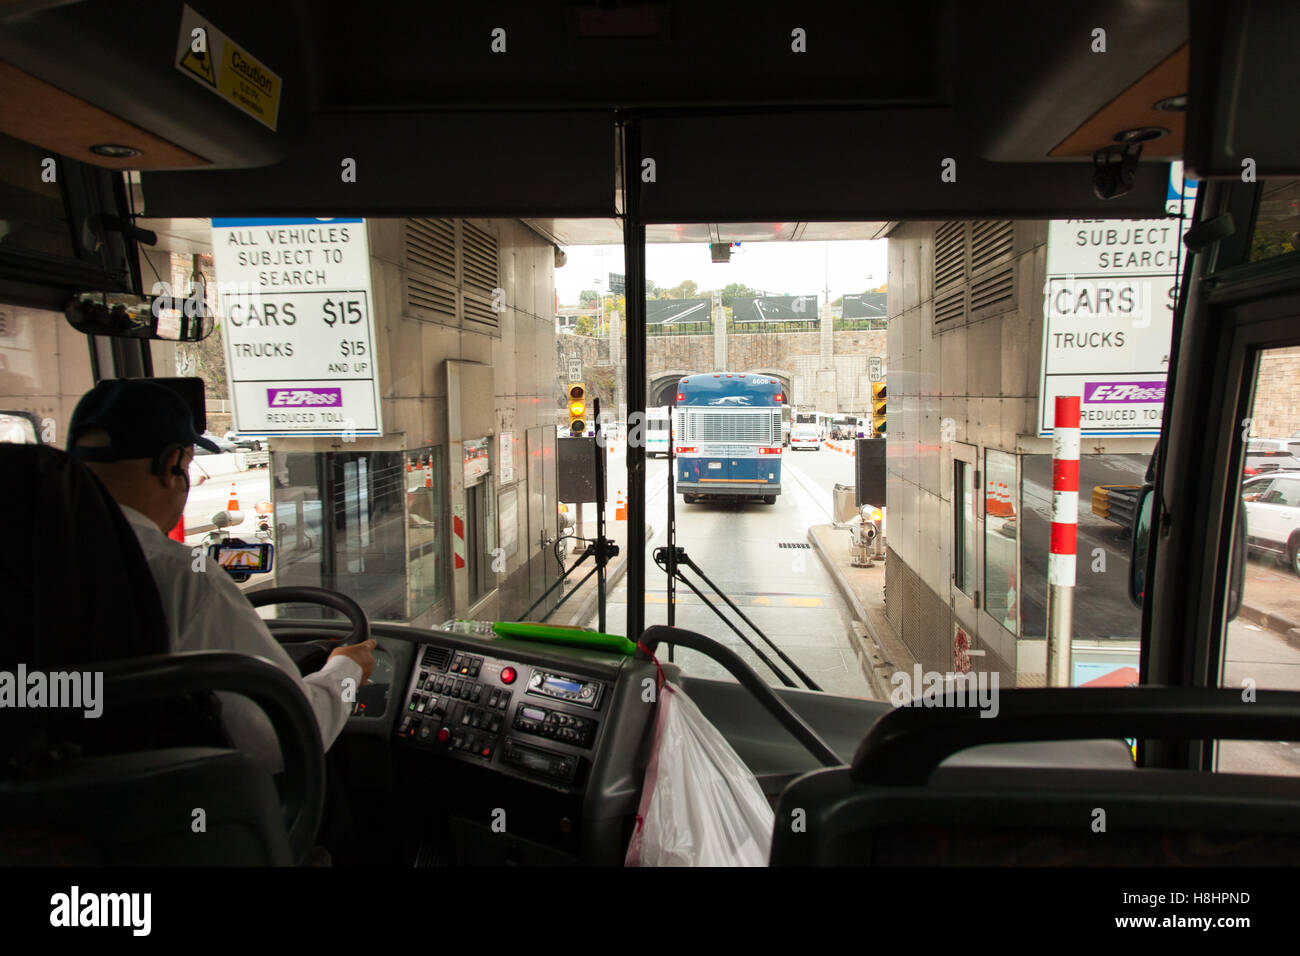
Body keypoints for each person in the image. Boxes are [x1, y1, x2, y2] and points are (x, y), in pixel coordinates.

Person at [67, 379, 375, 773]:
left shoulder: (29, 557)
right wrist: (345, 670)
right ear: (172, 465)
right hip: (159, 816)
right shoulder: (181, 576)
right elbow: (287, 736)